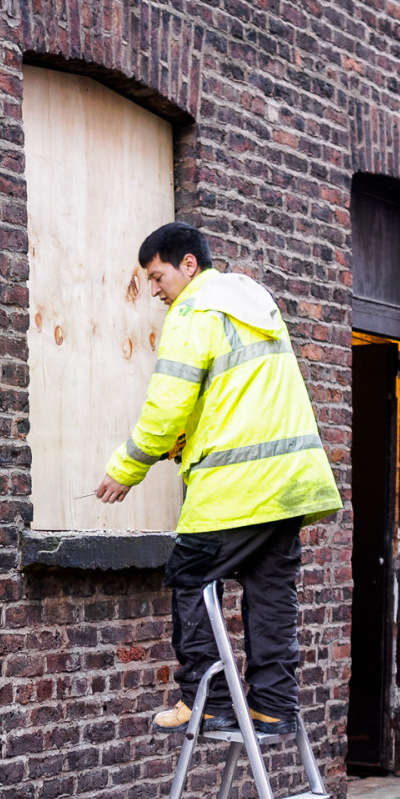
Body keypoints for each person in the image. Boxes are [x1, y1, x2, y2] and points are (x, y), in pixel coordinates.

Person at [95, 222, 341, 734]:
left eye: (158, 276)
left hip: (236, 491)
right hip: (289, 487)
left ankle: (206, 700)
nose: (155, 291)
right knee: (270, 591)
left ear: (189, 265)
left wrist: (128, 469)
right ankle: (273, 706)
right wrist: (189, 438)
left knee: (189, 577)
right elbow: (235, 397)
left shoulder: (194, 312)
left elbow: (167, 404)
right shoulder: (252, 304)